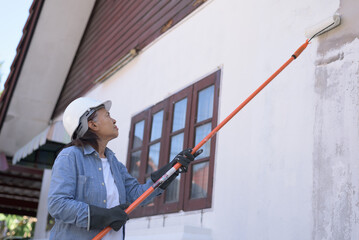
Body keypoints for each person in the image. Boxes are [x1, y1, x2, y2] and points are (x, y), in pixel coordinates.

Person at [48, 97, 201, 239]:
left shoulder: (114, 163)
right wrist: (103, 216)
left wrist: (171, 170)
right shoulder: (70, 157)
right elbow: (58, 204)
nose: (113, 119)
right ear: (92, 124)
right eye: (107, 115)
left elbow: (137, 195)